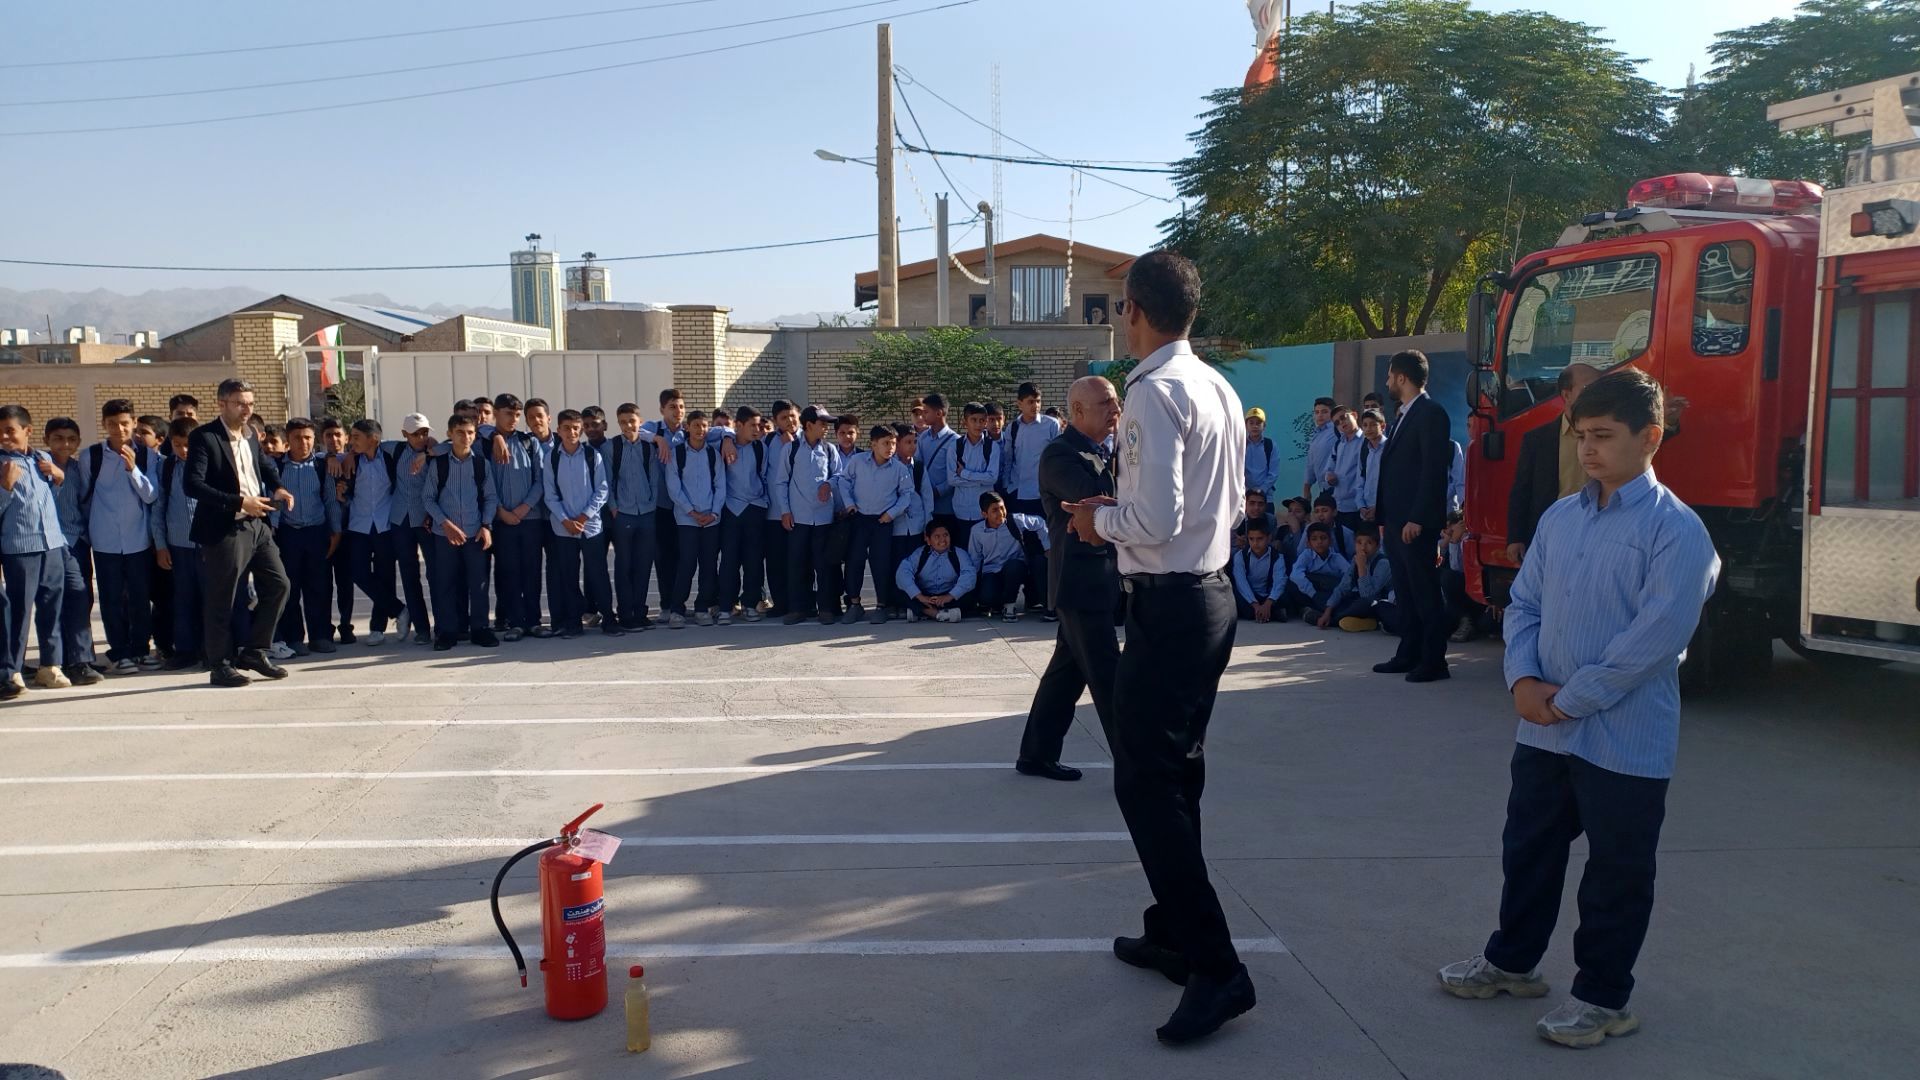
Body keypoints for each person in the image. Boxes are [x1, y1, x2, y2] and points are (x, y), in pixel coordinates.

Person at [1437, 368, 1719, 1050]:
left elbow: (1654, 640)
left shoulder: (1677, 533)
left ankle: (1602, 997)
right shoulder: (1561, 519)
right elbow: (1525, 604)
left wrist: (1568, 700)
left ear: (1650, 438)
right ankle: (1512, 962)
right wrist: (1523, 680)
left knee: (1617, 871)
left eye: (1603, 436)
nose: (1588, 450)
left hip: (1624, 737)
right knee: (1528, 848)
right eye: (1580, 436)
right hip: (1545, 731)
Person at [1061, 250, 1256, 1044]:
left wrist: (1095, 521)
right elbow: (1231, 505)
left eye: (1120, 308)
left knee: (1146, 786)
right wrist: (1130, 513)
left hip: (1171, 608)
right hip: (1208, 598)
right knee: (1179, 774)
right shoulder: (1213, 383)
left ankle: (1217, 967)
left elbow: (1153, 521)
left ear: (1134, 310)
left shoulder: (1150, 391)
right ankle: (1173, 928)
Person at [1017, 375, 1121, 781]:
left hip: (1098, 579)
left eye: (1116, 402)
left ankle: (1036, 754)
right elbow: (1098, 501)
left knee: (1066, 673)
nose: (1116, 410)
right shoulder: (1060, 455)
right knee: (1109, 677)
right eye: (1106, 404)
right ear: (1077, 411)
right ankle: (1138, 767)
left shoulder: (1098, 450)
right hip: (1079, 582)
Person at [184, 378, 294, 688]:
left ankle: (255, 651)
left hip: (257, 525)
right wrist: (238, 501)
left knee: (279, 585)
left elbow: (263, 465)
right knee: (223, 598)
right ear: (221, 404)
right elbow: (192, 485)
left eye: (250, 403)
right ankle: (219, 664)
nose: (246, 409)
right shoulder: (204, 438)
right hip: (224, 527)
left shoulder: (249, 435)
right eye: (239, 403)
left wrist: (279, 487)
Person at [1373, 349, 1454, 683]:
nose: (1388, 381)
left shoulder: (1431, 413)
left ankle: (1434, 661)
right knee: (1405, 592)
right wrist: (1383, 517)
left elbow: (1433, 472)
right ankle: (1408, 653)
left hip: (1413, 523)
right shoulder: (1404, 414)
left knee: (1424, 591)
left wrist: (1418, 518)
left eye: (1391, 376)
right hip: (1395, 522)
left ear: (1402, 377)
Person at [77, 398, 158, 674]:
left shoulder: (148, 455)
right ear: (104, 425)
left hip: (138, 539)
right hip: (105, 540)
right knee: (111, 598)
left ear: (134, 423)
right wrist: (92, 530)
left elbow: (151, 495)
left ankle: (141, 650)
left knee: (139, 597)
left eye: (124, 423)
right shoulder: (92, 456)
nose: (119, 429)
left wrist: (133, 469)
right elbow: (85, 496)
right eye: (112, 424)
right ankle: (120, 652)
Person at [0, 404, 69, 691]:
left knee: (52, 607)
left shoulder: (42, 458)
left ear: (27, 431)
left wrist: (58, 478)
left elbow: (48, 498)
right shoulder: (2, 465)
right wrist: (5, 488)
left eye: (9, 431)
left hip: (51, 543)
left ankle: (50, 666)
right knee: (19, 610)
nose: (4, 437)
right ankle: (12, 670)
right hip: (19, 547)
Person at [1506, 363, 1601, 566]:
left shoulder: (1607, 435)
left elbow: (1638, 448)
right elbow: (1521, 490)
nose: (1597, 395)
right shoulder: (1538, 439)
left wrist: (1668, 423)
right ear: (1567, 395)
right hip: (1552, 534)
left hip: (1598, 531)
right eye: (1589, 388)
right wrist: (1515, 538)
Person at [544, 409, 621, 639]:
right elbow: (550, 494)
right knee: (568, 575)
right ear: (558, 430)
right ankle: (573, 621)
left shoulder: (591, 455)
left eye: (576, 428)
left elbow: (602, 489)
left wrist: (583, 517)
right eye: (566, 428)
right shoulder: (551, 457)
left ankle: (608, 617)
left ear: (581, 430)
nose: (571, 432)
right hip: (563, 528)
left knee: (597, 573)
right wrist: (566, 520)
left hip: (590, 526)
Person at [424, 413, 498, 651]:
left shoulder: (481, 464)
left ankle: (480, 629)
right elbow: (428, 498)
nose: (465, 437)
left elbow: (490, 497)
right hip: (445, 536)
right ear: (449, 435)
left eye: (470, 433)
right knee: (445, 583)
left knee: (479, 584)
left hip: (475, 534)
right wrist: (445, 524)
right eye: (460, 432)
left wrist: (486, 526)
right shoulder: (439, 464)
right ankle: (447, 631)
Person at [274, 418, 344, 656]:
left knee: (320, 587)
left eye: (308, 438)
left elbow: (330, 500)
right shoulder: (277, 467)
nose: (303, 443)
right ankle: (294, 638)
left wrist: (335, 532)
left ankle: (321, 635)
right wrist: (273, 534)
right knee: (290, 588)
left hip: (317, 532)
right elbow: (273, 502)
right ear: (288, 440)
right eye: (297, 438)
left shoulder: (323, 465)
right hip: (288, 534)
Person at [40, 417, 102, 686]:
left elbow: (85, 502)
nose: (65, 444)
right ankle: (64, 661)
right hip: (48, 542)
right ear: (46, 440)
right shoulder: (38, 468)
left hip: (76, 541)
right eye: (58, 438)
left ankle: (78, 659)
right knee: (55, 602)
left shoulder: (79, 468)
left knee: (80, 597)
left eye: (70, 439)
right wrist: (56, 480)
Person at [769, 405, 842, 626]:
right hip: (798, 518)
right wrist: (785, 511)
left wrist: (829, 484)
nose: (826, 428)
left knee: (824, 565)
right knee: (797, 565)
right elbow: (781, 482)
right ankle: (798, 608)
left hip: (823, 519)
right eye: (822, 424)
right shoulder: (790, 450)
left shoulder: (829, 450)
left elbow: (839, 474)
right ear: (809, 425)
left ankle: (826, 608)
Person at [836, 423, 912, 625]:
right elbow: (844, 481)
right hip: (859, 519)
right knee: (854, 562)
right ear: (873, 444)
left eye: (893, 443)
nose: (891, 448)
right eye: (886, 443)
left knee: (881, 565)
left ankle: (881, 606)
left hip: (882, 521)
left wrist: (891, 513)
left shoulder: (899, 468)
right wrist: (850, 504)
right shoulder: (858, 461)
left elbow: (906, 495)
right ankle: (854, 604)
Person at [340, 419, 406, 646]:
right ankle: (399, 610)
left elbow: (424, 444)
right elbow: (327, 459)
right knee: (358, 572)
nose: (352, 441)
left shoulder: (390, 456)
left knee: (384, 576)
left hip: (384, 524)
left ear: (374, 439)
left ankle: (377, 628)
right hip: (358, 525)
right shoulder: (351, 460)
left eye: (356, 437)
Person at [664, 410, 727, 627]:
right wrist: (691, 512)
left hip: (711, 520)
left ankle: (702, 608)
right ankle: (677, 610)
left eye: (704, 425)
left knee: (708, 565)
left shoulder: (713, 455)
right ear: (687, 428)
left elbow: (720, 486)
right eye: (696, 425)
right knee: (687, 564)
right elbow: (674, 487)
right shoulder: (677, 454)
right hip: (686, 520)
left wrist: (713, 513)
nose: (700, 430)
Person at [608, 402, 660, 631]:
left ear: (640, 422)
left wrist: (651, 503)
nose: (628, 425)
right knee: (624, 565)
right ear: (618, 423)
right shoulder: (612, 447)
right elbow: (607, 481)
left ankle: (640, 611)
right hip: (623, 514)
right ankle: (625, 613)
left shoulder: (649, 448)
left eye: (632, 421)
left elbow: (655, 479)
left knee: (643, 565)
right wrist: (614, 507)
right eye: (623, 421)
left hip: (646, 513)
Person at [717, 406, 769, 622]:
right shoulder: (721, 442)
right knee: (729, 560)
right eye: (752, 425)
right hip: (731, 509)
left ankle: (750, 603)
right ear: (738, 425)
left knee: (754, 560)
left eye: (759, 425)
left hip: (755, 508)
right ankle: (726, 606)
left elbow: (764, 475)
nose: (757, 430)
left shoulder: (761, 448)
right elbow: (714, 431)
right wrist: (727, 437)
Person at [389, 415, 437, 646]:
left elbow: (450, 445)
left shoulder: (435, 451)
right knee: (409, 576)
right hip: (401, 520)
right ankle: (421, 628)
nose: (421, 437)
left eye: (424, 432)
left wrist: (428, 451)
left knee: (436, 575)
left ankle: (445, 624)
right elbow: (368, 443)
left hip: (427, 520)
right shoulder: (394, 450)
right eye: (416, 433)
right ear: (404, 434)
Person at [967, 492, 1043, 621]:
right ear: (984, 514)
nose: (1001, 513)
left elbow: (1040, 522)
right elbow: (974, 559)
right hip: (992, 570)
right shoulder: (977, 531)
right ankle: (998, 603)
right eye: (995, 510)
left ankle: (1010, 606)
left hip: (1015, 567)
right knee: (987, 597)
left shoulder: (1015, 520)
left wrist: (1047, 547)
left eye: (1002, 508)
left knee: (1014, 567)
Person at [317, 417, 356, 644]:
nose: (334, 439)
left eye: (338, 434)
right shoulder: (319, 461)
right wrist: (331, 457)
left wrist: (345, 497)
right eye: (329, 435)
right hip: (324, 531)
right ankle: (325, 627)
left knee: (345, 583)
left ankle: (345, 625)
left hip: (348, 531)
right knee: (322, 583)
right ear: (322, 439)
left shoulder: (354, 461)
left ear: (346, 437)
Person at [760, 400, 800, 619]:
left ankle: (800, 603)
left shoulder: (808, 440)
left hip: (801, 514)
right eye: (784, 418)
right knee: (776, 562)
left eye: (793, 416)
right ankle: (780, 603)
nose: (790, 421)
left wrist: (791, 444)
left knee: (799, 561)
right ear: (775, 421)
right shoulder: (768, 441)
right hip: (774, 513)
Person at [1321, 524, 1397, 633]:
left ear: (1377, 546)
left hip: (1378, 604)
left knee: (1363, 604)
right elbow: (1343, 587)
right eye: (1359, 542)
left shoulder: (1383, 563)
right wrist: (1327, 611)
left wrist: (1362, 568)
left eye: (1369, 543)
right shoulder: (1356, 559)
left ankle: (1333, 620)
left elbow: (1368, 596)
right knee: (1332, 598)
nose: (1363, 547)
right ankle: (1334, 617)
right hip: (1359, 598)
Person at [895, 521, 974, 623]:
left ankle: (922, 612)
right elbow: (903, 573)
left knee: (970, 594)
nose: (942, 540)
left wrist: (949, 596)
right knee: (901, 591)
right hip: (925, 596)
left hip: (949, 596)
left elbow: (969, 575)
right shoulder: (920, 554)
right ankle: (938, 614)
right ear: (928, 540)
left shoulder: (959, 553)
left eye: (945, 535)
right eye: (937, 536)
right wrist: (921, 597)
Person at [1002, 382, 1061, 519]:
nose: (1036, 406)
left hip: (1042, 493)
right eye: (1030, 402)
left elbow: (1057, 458)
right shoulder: (1013, 428)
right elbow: (1008, 459)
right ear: (1020, 404)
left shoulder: (1051, 425)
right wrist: (1006, 487)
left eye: (1038, 401)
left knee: (1044, 537)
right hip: (1018, 492)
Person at [947, 402, 1001, 539]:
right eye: (974, 420)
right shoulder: (955, 446)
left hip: (984, 511)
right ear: (965, 422)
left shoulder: (992, 447)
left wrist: (965, 474)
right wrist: (981, 480)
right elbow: (952, 479)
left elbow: (992, 478)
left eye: (982, 420)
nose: (978, 425)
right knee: (965, 548)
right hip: (962, 510)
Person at [1283, 523, 1350, 622]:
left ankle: (1315, 613)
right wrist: (1313, 594)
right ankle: (1309, 610)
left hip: (1330, 593)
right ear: (1308, 543)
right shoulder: (1306, 555)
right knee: (1291, 584)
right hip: (1311, 592)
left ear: (1330, 541)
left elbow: (1349, 576)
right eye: (1314, 539)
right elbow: (1295, 575)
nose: (1319, 542)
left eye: (1323, 538)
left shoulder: (1337, 558)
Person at [918, 393, 960, 539]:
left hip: (946, 507)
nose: (922, 416)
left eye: (926, 412)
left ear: (939, 413)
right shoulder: (923, 437)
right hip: (925, 505)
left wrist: (938, 491)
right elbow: (918, 466)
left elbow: (956, 474)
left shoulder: (955, 441)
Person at [1441, 511, 1487, 642]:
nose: (1447, 531)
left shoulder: (1468, 540)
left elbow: (1458, 569)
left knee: (1449, 577)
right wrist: (1450, 541)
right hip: (1459, 599)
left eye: (1449, 527)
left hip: (1474, 592)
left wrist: (1455, 541)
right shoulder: (1449, 540)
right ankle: (1464, 620)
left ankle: (1466, 621)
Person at [1230, 519, 1285, 623]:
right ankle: (1267, 613)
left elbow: (1279, 581)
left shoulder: (1277, 557)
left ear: (1269, 538)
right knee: (1235, 594)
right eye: (1251, 539)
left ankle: (1267, 611)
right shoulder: (1240, 556)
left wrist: (1268, 603)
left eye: (1260, 539)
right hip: (1248, 597)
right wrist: (1255, 604)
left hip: (1268, 595)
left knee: (1284, 591)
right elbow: (1241, 582)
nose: (1255, 543)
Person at [1325, 407, 1366, 536]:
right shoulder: (1339, 444)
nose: (1341, 423)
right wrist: (1329, 477)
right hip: (1340, 506)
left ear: (1354, 415)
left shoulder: (1366, 441)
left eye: (1343, 417)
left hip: (1359, 506)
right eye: (1337, 422)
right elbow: (1329, 469)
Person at [1299, 396, 1336, 502]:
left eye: (1324, 412)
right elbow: (1311, 463)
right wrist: (1307, 488)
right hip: (1323, 488)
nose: (1320, 415)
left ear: (1332, 413)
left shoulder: (1337, 432)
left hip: (1336, 487)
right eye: (1317, 412)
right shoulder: (1316, 434)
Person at [1356, 408, 1387, 523]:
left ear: (1383, 426)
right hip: (1366, 512)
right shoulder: (1365, 450)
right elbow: (1360, 479)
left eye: (1373, 425)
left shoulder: (1391, 449)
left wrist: (1379, 507)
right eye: (1365, 425)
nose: (1368, 429)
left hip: (1385, 512)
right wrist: (1361, 506)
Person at [1243, 407, 1278, 507]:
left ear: (1264, 426)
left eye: (1258, 423)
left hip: (1266, 498)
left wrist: (1261, 490)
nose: (1255, 426)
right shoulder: (1240, 445)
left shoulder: (1270, 445)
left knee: (1267, 522)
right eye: (1251, 423)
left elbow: (1273, 473)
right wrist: (1247, 490)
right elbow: (1236, 471)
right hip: (1245, 498)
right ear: (1246, 425)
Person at [1310, 495, 1354, 560]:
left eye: (1324, 511)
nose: (1320, 515)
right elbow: (1299, 553)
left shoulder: (1345, 533)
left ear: (1334, 512)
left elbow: (1352, 557)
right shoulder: (1308, 530)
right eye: (1317, 511)